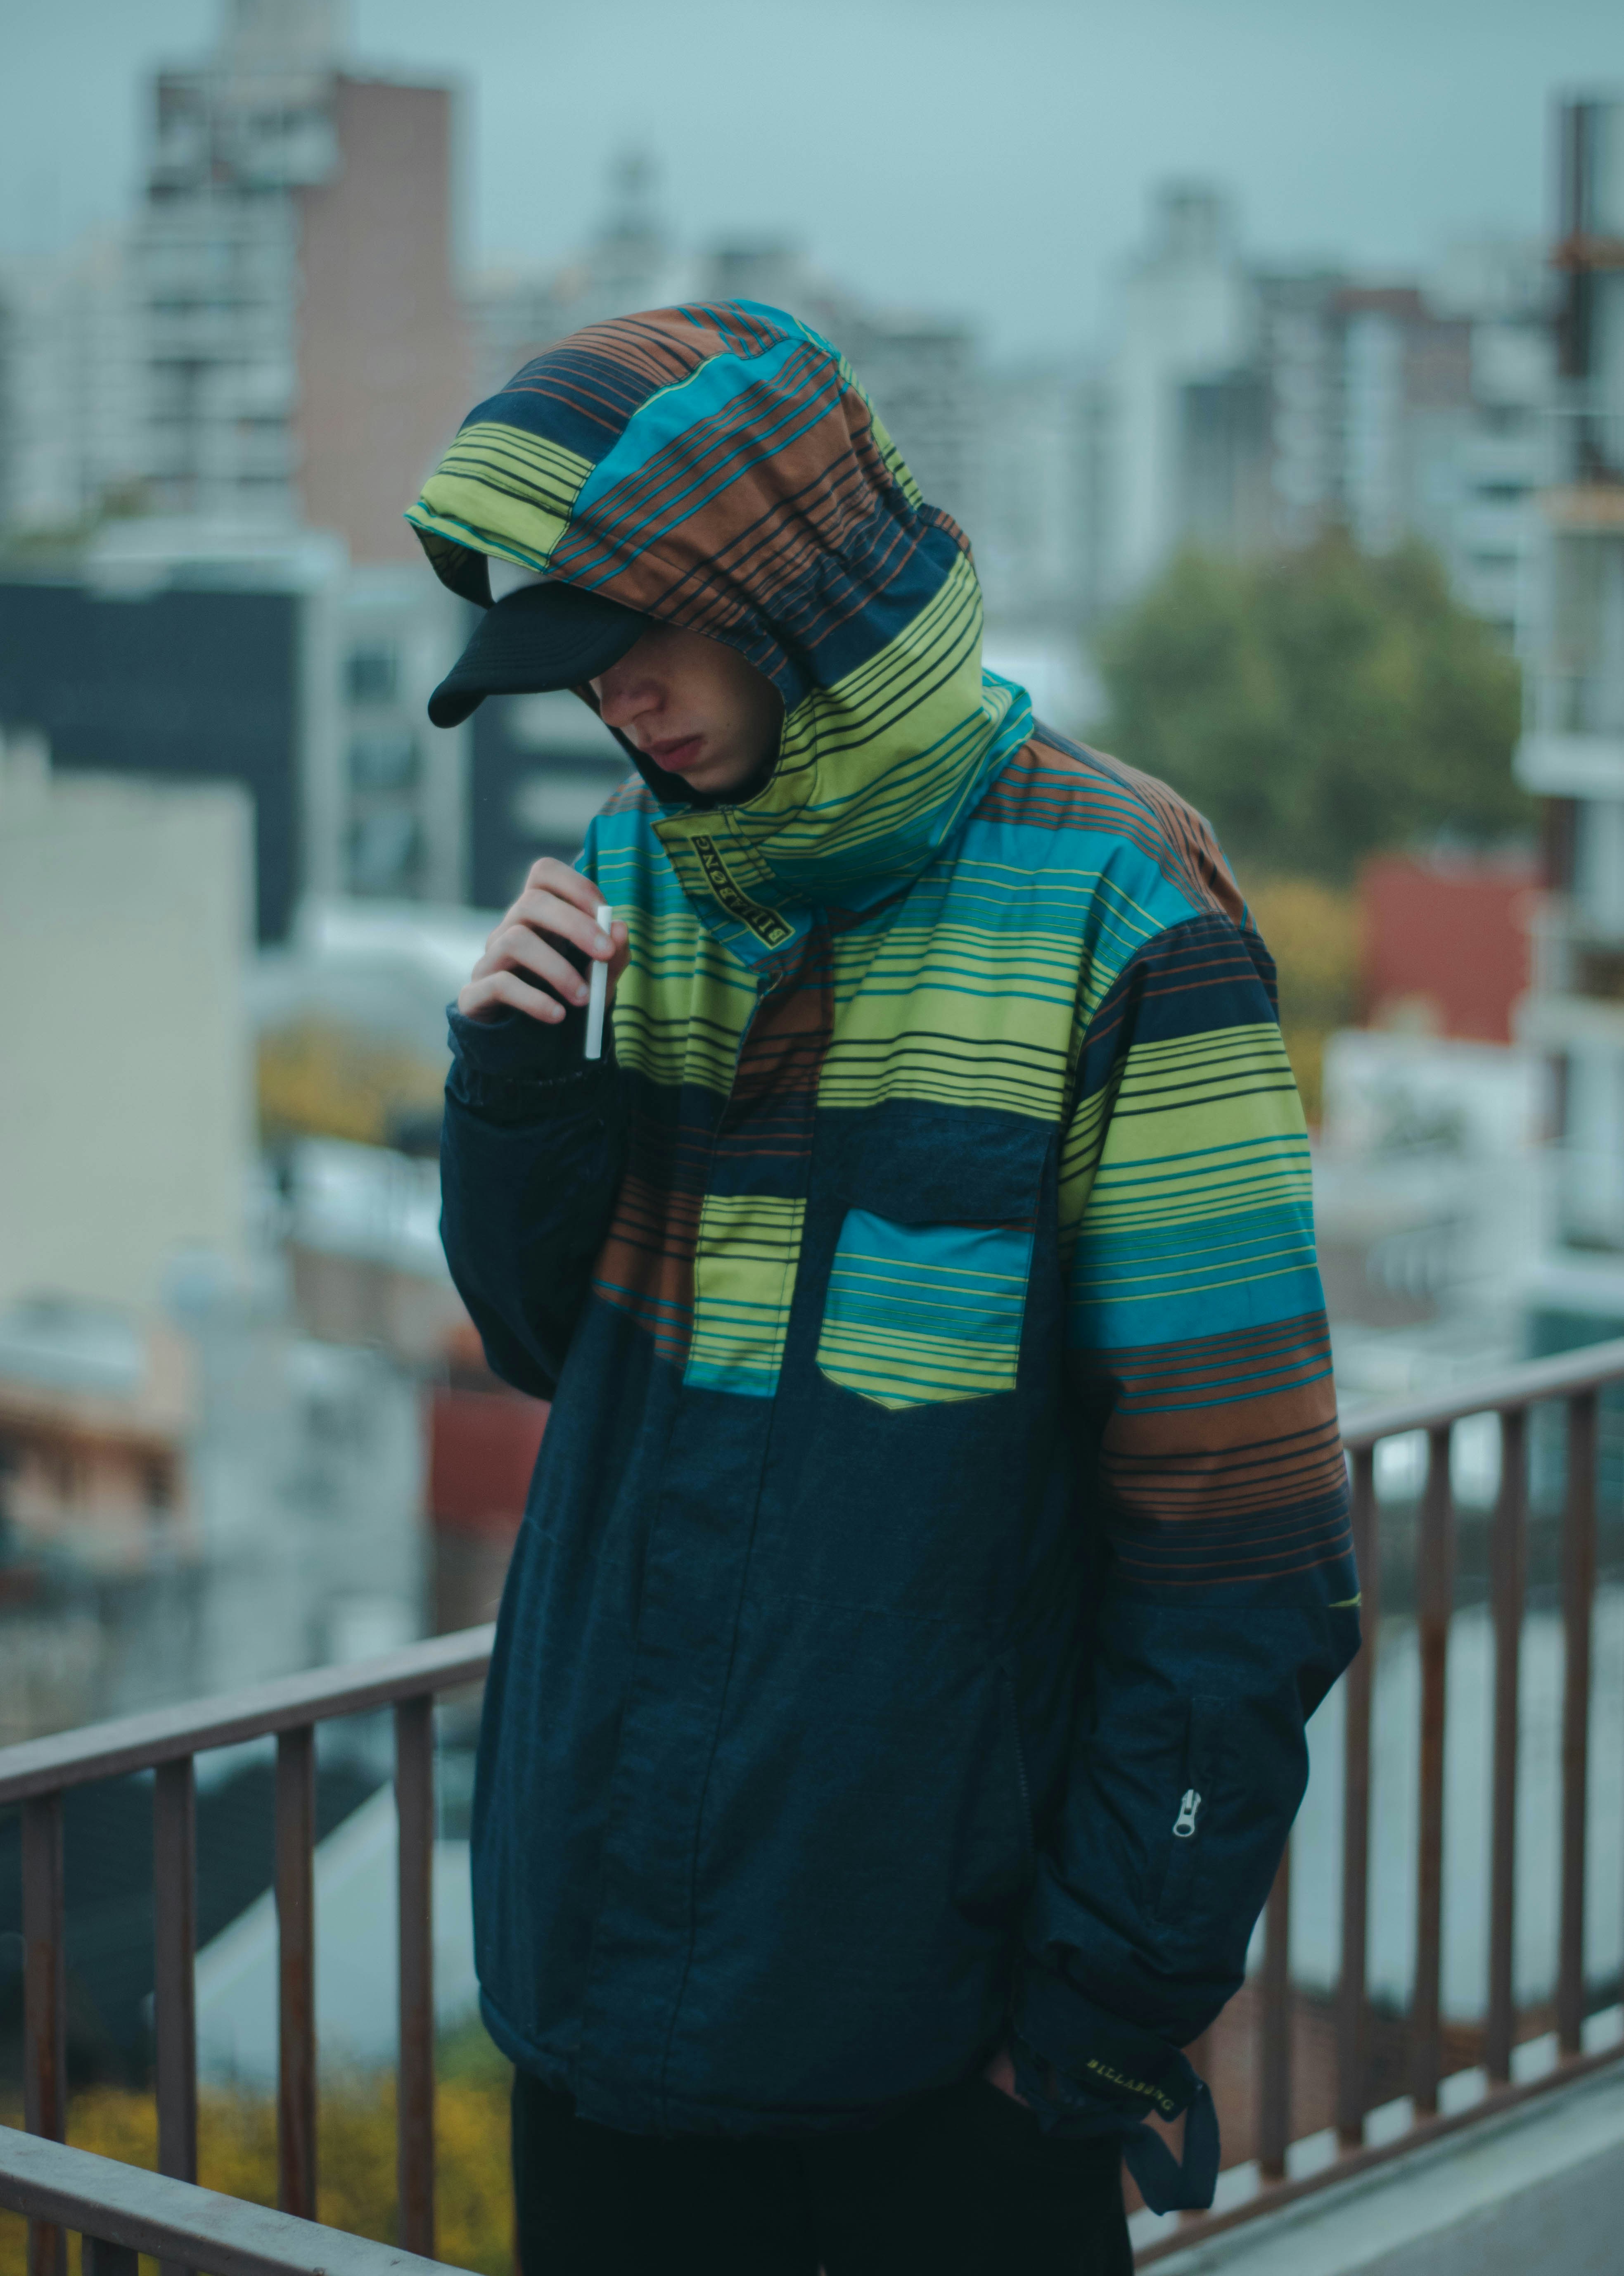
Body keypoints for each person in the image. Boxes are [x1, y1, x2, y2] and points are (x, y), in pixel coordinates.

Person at [410, 302, 1359, 2276]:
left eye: (640, 644)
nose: (618, 709)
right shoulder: (638, 876)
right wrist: (510, 1089)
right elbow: (544, 1354)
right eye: (580, 670)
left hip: (943, 2067)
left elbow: (1242, 1542)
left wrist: (1098, 2022)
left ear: (781, 589)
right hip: (604, 2015)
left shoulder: (1126, 907)